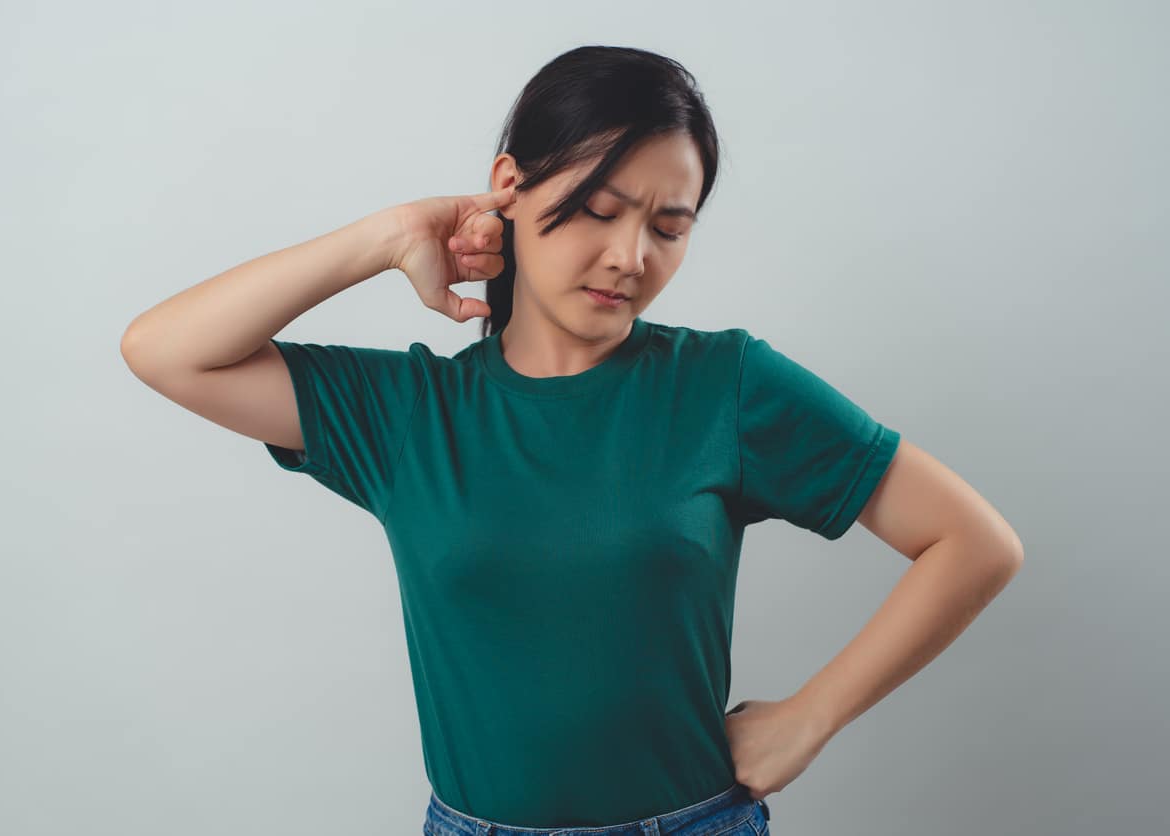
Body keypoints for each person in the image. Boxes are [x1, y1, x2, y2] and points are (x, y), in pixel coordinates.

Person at [121, 44, 1023, 836]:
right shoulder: (406, 412)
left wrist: (813, 716)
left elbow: (974, 543)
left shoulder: (727, 387)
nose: (633, 256)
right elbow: (165, 352)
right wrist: (390, 234)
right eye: (599, 207)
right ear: (510, 186)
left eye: (669, 228)